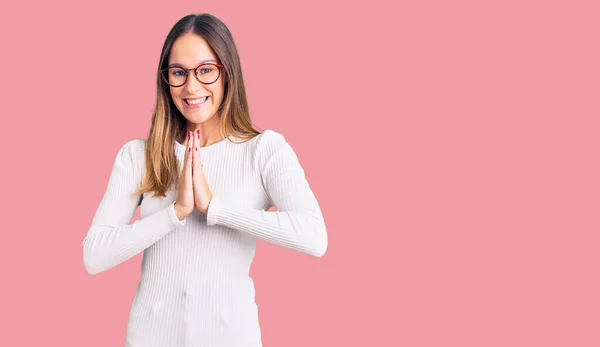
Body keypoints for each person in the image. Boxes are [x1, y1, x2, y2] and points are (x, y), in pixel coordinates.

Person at [82, 13, 328, 347]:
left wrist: (215, 208)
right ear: (166, 79)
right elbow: (94, 257)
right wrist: (175, 213)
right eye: (179, 72)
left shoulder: (264, 151)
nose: (192, 86)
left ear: (228, 73)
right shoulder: (139, 156)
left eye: (206, 70)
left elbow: (314, 237)